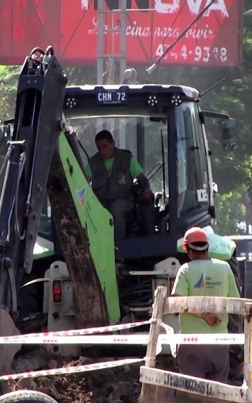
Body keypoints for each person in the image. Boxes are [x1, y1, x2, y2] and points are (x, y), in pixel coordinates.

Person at [170, 227, 241, 383]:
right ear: (208, 248)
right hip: (219, 344)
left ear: (189, 251)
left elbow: (177, 303)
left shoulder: (185, 271)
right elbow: (236, 303)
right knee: (217, 392)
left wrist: (204, 315)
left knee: (194, 394)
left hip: (192, 345)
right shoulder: (225, 268)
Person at [83, 129, 153, 240]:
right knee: (92, 210)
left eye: (105, 146)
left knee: (116, 209)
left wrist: (146, 189)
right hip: (100, 200)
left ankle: (117, 244)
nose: (102, 150)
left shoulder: (127, 159)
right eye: (99, 147)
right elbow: (84, 182)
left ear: (113, 144)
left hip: (123, 199)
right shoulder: (93, 162)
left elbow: (142, 178)